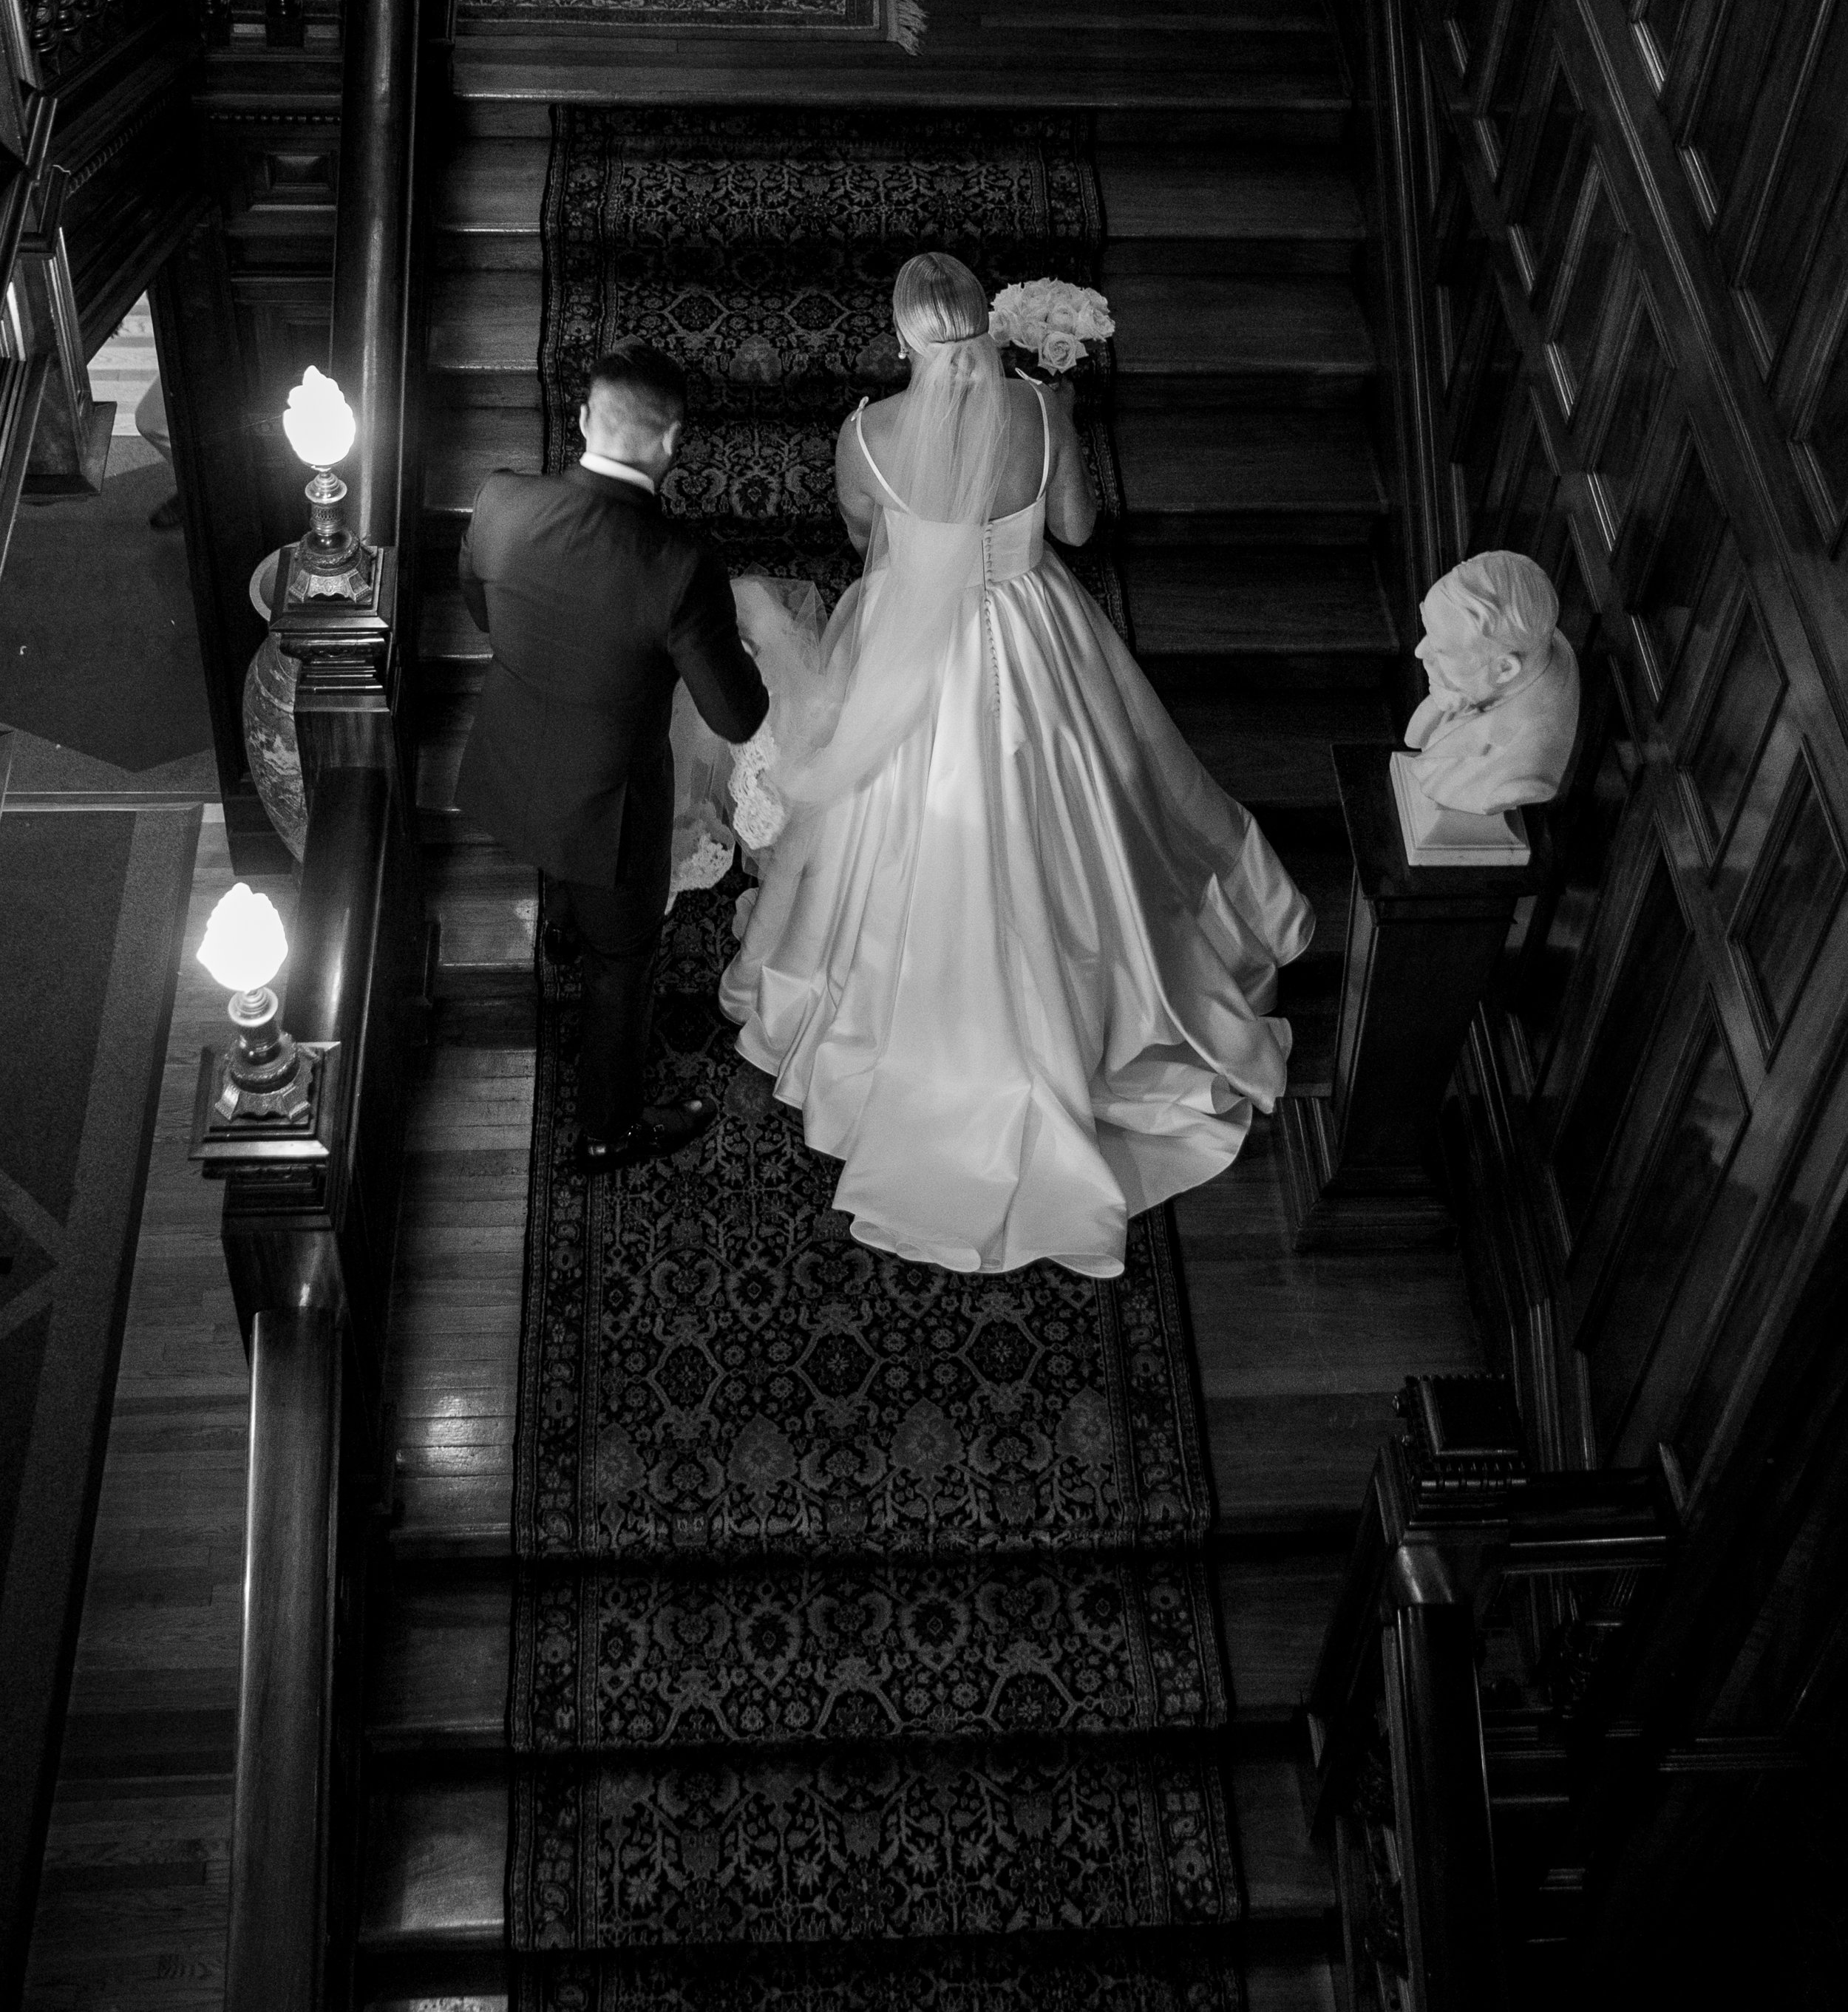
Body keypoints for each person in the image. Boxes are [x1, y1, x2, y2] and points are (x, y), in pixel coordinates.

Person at [707, 251, 1315, 1280]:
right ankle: (1103, 1009)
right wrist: (1054, 425)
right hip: (1039, 638)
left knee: (883, 839)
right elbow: (1074, 527)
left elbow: (871, 544)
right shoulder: (1039, 409)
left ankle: (903, 1027)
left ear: (903, 339)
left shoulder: (865, 434)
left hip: (915, 645)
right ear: (987, 328)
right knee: (1085, 816)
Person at [457, 339, 768, 1175]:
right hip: (610, 806)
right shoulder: (678, 565)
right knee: (622, 965)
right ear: (671, 445)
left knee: (569, 882)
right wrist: (731, 650)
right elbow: (736, 716)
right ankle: (608, 1128)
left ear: (587, 420)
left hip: (516, 759)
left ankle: (560, 925)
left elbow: (483, 612)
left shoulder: (500, 501)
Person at [1402, 551, 1580, 813]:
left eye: (1442, 651)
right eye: (1430, 631)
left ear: (1504, 669)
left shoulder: (1523, 777)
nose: (1420, 651)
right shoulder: (1524, 639)